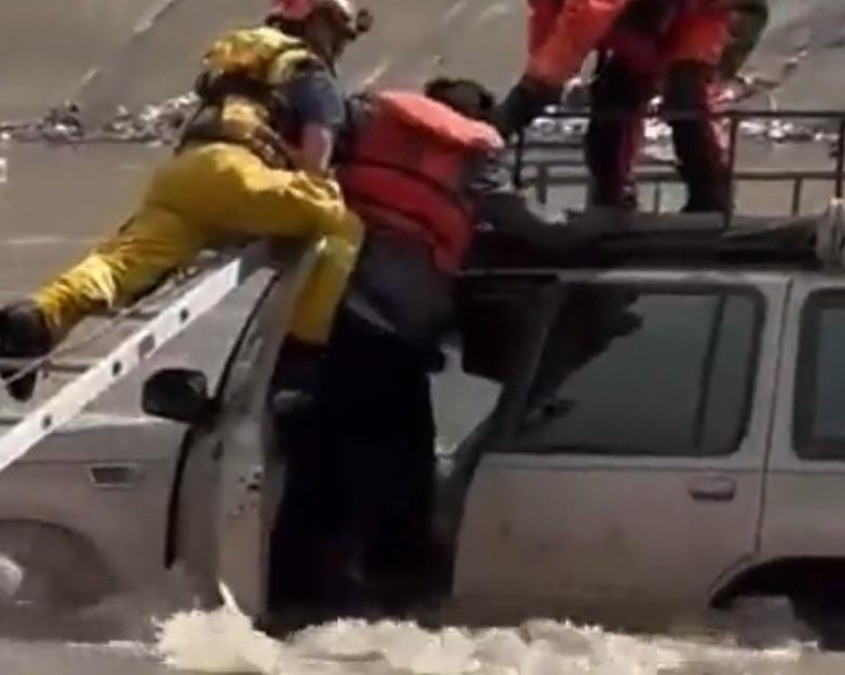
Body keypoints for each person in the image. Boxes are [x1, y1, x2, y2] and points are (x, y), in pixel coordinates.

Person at [266, 77, 587, 621]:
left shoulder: (372, 131)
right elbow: (521, 223)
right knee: (391, 460)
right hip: (391, 336)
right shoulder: (472, 160)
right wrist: (587, 234)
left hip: (333, 321)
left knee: (326, 459)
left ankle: (310, 589)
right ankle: (386, 585)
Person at [0, 0, 371, 401]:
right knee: (341, 224)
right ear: (322, 24)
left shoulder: (241, 66)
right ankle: (301, 358)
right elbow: (317, 155)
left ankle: (38, 319)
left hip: (182, 176)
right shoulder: (310, 72)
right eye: (339, 34)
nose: (339, 46)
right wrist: (313, 185)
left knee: (120, 265)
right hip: (239, 175)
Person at [492, 0, 756, 214]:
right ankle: (611, 199)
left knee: (685, 100)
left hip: (705, 14)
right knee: (612, 108)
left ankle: (711, 200)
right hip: (642, 26)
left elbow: (588, 17)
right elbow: (547, 34)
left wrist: (529, 94)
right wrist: (537, 85)